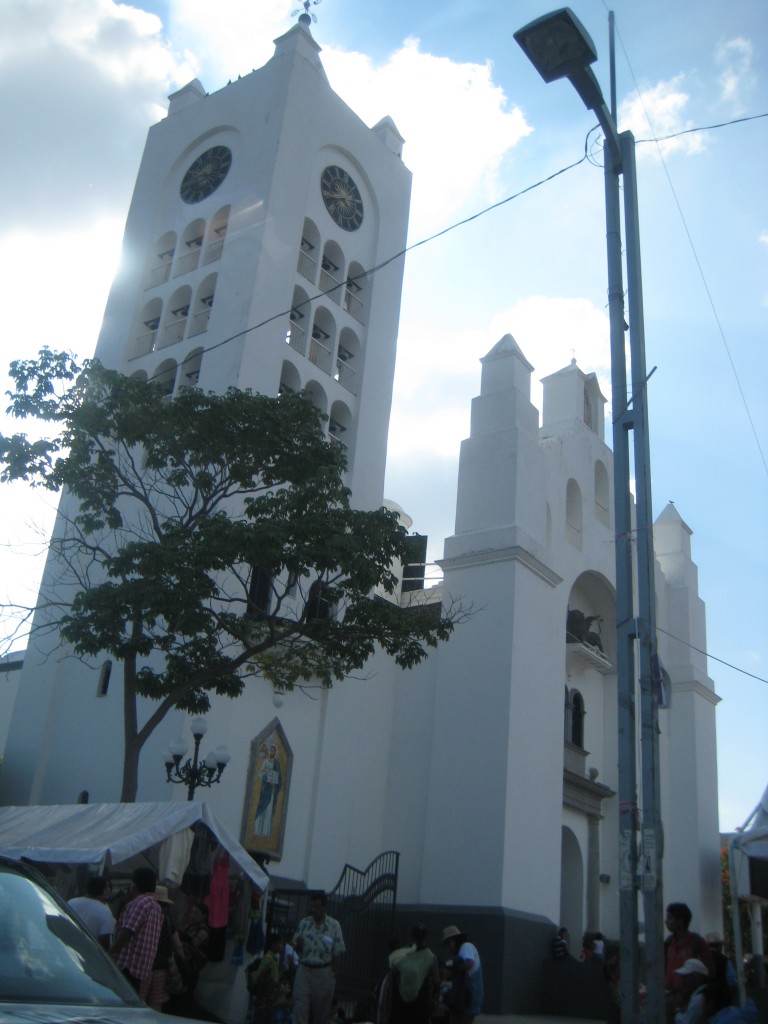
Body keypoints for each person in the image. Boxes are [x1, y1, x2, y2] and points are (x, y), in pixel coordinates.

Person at [292, 892, 346, 1024]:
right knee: (300, 1008)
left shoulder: (334, 926)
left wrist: (331, 975)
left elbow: (337, 953)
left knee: (321, 1014)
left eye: (316, 906)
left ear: (324, 907)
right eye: (312, 906)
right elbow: (296, 948)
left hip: (323, 973)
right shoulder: (304, 923)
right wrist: (298, 946)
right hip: (304, 971)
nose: (313, 910)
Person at [110, 867, 163, 994]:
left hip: (127, 965)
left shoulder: (140, 903)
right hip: (140, 969)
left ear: (135, 885)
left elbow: (127, 931)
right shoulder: (156, 907)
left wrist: (109, 953)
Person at [665, 902, 715, 1018]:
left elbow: (710, 971)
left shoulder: (696, 942)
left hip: (690, 998)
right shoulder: (669, 942)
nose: (666, 921)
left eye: (670, 918)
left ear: (680, 921)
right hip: (671, 995)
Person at [143, 884, 184, 1011]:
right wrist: (182, 962)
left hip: (143, 967)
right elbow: (177, 945)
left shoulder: (144, 916)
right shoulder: (167, 921)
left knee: (140, 1001)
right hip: (162, 967)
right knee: (156, 1003)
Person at [391, 924, 439, 1024]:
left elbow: (394, 970)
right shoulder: (431, 957)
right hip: (422, 999)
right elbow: (436, 980)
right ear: (425, 938)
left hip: (402, 998)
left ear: (412, 937)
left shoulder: (404, 953)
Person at [441, 925, 483, 1024]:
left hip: (469, 996)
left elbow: (469, 963)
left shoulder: (466, 946)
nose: (448, 948)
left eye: (448, 945)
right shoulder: (464, 950)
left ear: (452, 941)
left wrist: (452, 972)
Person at [247, 931, 288, 1024]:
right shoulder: (268, 959)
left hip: (270, 998)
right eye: (280, 943)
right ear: (274, 944)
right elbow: (258, 975)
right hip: (264, 998)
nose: (282, 946)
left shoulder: (274, 960)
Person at [68, 875, 115, 950]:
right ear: (102, 890)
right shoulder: (105, 911)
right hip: (87, 952)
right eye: (106, 887)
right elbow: (105, 942)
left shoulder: (71, 902)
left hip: (67, 947)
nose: (108, 890)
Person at [254, 744, 282, 837]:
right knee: (262, 808)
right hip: (265, 789)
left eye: (274, 751)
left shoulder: (276, 764)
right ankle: (257, 831)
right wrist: (265, 774)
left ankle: (265, 832)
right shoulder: (266, 762)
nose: (272, 752)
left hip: (272, 790)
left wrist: (275, 783)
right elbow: (259, 774)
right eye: (271, 750)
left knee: (269, 811)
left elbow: (279, 779)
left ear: (275, 752)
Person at [673, 958, 711, 1024]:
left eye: (686, 977)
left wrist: (677, 1008)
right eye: (683, 977)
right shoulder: (698, 995)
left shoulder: (697, 999)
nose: (683, 981)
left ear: (699, 979)